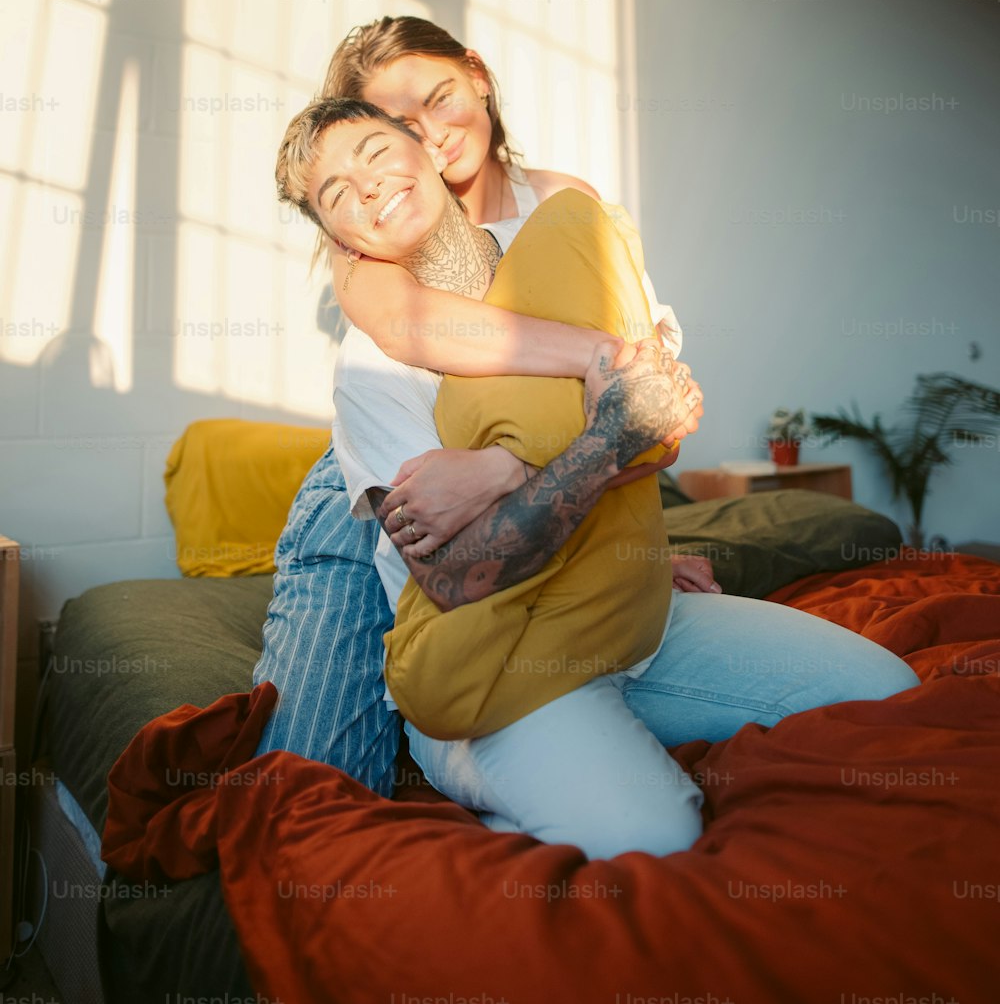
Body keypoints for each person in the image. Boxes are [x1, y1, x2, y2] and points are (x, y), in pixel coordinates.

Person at [274, 96, 921, 859]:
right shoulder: (372, 365)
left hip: (632, 618)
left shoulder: (555, 261)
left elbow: (660, 431)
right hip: (497, 666)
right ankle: (510, 784)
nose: (369, 187)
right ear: (341, 241)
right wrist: (604, 437)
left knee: (889, 694)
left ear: (427, 147)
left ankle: (610, 735)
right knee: (655, 833)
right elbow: (454, 575)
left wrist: (503, 466)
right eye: (338, 195)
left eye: (377, 153)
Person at [254, 15, 696, 792]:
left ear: (478, 75)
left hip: (518, 464)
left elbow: (649, 414)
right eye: (400, 124)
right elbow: (406, 325)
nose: (432, 130)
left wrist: (511, 469)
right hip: (387, 468)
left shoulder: (565, 206)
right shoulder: (376, 244)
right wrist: (595, 362)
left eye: (441, 96)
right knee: (309, 773)